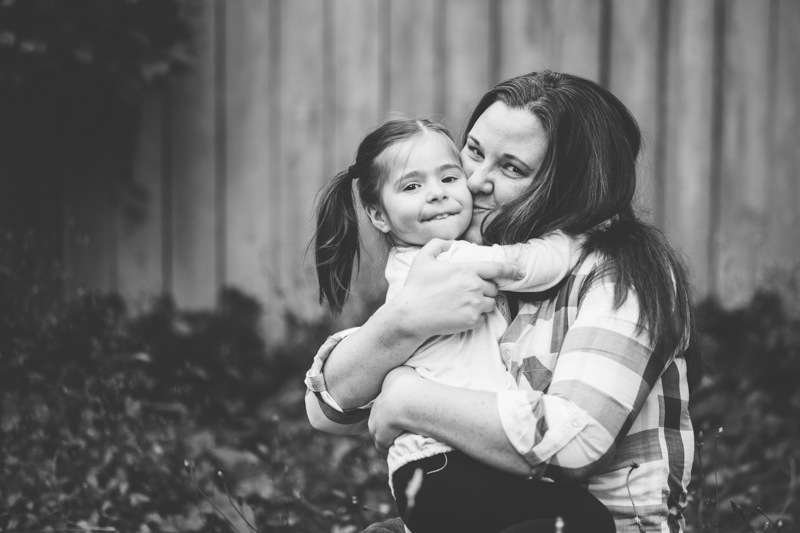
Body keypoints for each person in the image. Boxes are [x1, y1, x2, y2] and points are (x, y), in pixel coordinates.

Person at [305, 70, 701, 533]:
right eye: (473, 151)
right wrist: (404, 322)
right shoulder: (473, 264)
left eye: (511, 168)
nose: (473, 181)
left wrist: (410, 399)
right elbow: (327, 408)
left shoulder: (619, 274)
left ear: (572, 188)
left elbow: (578, 440)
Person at [309, 116, 610, 533]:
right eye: (412, 187)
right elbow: (542, 264)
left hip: (431, 471)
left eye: (449, 177)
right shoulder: (449, 262)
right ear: (379, 216)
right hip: (449, 466)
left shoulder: (418, 263)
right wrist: (579, 233)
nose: (437, 194)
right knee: (584, 520)